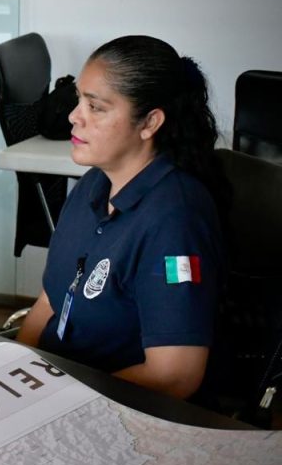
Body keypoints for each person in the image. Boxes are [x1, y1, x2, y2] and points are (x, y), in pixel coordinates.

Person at [16, 35, 227, 400]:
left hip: (115, 407)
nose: (73, 116)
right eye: (79, 99)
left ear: (150, 123)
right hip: (53, 385)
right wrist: (14, 373)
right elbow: (50, 300)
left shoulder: (175, 220)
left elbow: (174, 375)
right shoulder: (94, 184)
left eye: (95, 107)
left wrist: (56, 400)